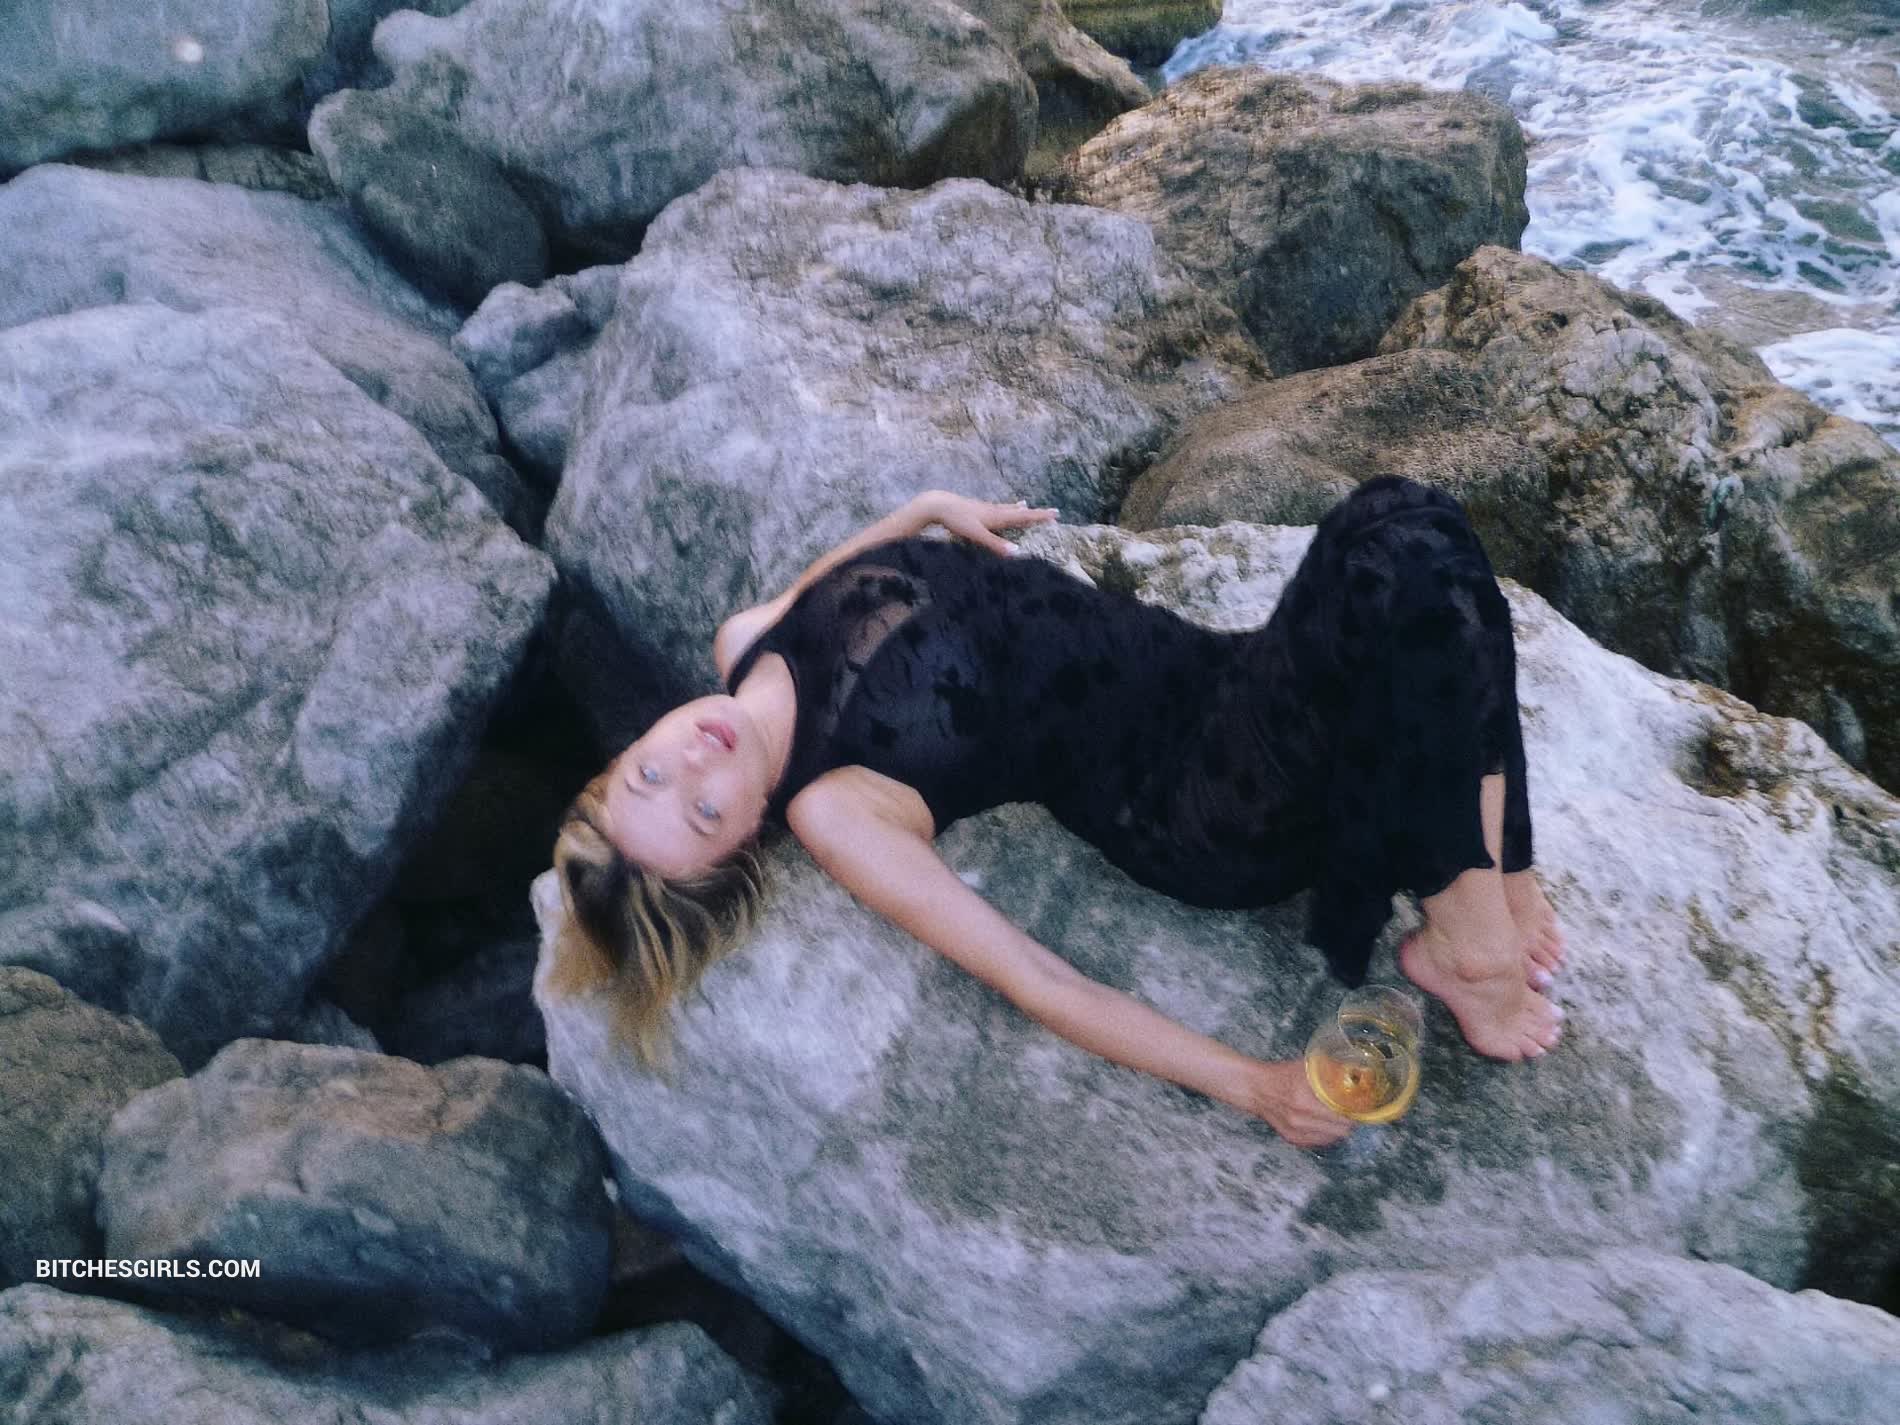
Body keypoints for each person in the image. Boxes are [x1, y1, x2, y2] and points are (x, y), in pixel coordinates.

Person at [546, 477, 1568, 1149]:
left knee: (1416, 535)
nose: (692, 762)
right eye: (701, 811)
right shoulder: (835, 810)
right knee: (1402, 562)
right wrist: (1253, 1086)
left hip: (1216, 670)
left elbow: (839, 582)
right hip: (1202, 801)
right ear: (741, 842)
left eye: (647, 773)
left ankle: (1502, 891)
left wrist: (927, 510)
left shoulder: (745, 640)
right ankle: (1475, 949)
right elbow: (1037, 980)